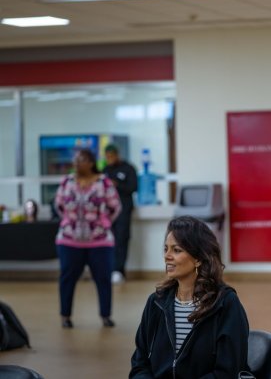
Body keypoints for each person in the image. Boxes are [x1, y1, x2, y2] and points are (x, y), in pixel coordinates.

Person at [130, 216, 250, 378]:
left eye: (176, 250)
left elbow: (228, 372)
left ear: (198, 258)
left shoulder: (225, 304)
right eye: (166, 249)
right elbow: (140, 364)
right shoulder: (156, 302)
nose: (167, 256)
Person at [54, 148, 121, 328]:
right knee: (67, 278)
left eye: (81, 159)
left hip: (100, 241)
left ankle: (105, 315)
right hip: (69, 240)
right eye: (75, 159)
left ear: (91, 163)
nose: (77, 163)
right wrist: (70, 222)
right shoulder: (67, 181)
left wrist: (102, 224)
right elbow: (59, 205)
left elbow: (115, 207)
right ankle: (65, 316)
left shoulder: (104, 182)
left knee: (103, 278)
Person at [103, 143, 138, 284]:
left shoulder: (128, 168)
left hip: (124, 209)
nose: (109, 159)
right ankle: (109, 269)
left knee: (122, 239)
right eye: (107, 156)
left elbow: (133, 187)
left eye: (112, 156)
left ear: (117, 155)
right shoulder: (105, 170)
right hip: (108, 211)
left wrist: (117, 184)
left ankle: (119, 270)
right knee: (109, 240)